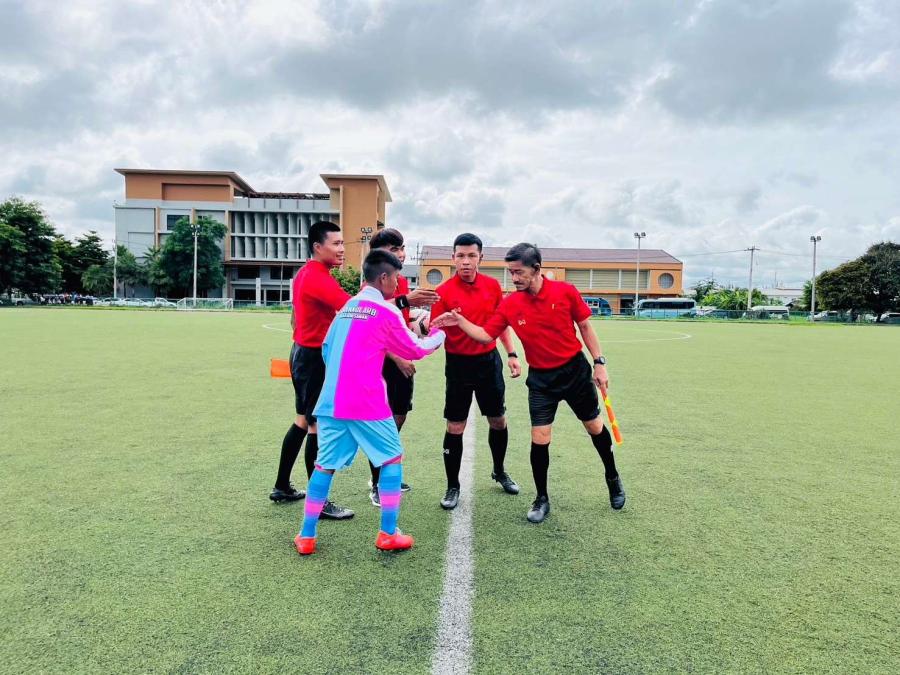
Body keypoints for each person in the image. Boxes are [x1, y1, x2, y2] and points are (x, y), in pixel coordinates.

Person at [432, 242, 625, 524]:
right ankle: (541, 498)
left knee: (594, 427)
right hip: (541, 380)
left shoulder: (565, 291)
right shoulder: (511, 303)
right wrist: (459, 320)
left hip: (574, 372)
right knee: (540, 438)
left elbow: (585, 326)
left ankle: (612, 476)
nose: (514, 278)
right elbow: (485, 335)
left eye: (519, 272)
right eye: (511, 272)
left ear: (536, 269)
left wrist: (599, 363)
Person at [294, 249, 446, 555]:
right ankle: (388, 533)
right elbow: (416, 349)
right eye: (397, 277)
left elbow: (326, 349)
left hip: (332, 401)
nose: (398, 283)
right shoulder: (387, 313)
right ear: (385, 277)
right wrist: (440, 332)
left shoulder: (346, 308)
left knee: (324, 465)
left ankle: (306, 536)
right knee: (391, 459)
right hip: (367, 401)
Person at [430, 233, 522, 510]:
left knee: (498, 420)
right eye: (460, 256)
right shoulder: (443, 292)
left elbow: (500, 324)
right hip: (458, 365)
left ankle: (499, 470)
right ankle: (452, 486)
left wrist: (512, 354)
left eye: (471, 255)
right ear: (453, 258)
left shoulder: (492, 286)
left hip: (488, 362)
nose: (466, 261)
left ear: (481, 257)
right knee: (455, 426)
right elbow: (434, 330)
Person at [269, 220, 353, 522]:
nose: (342, 249)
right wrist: (402, 302)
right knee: (317, 426)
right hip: (313, 358)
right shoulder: (317, 276)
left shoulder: (308, 272)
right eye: (336, 243)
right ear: (318, 247)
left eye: (342, 243)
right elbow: (352, 308)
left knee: (303, 421)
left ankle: (282, 486)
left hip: (304, 354)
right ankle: (319, 502)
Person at [364, 228, 439, 506]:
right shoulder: (372, 283)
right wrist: (398, 356)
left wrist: (421, 326)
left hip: (402, 362)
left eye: (402, 247)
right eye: (394, 249)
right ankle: (377, 483)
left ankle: (385, 471)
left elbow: (399, 322)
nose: (402, 253)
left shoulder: (401, 281)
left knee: (398, 417)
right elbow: (374, 319)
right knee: (380, 422)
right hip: (380, 363)